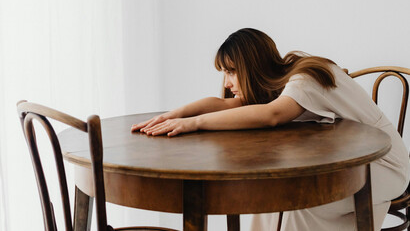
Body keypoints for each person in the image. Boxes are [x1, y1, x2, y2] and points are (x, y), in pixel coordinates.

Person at [131, 28, 409, 230]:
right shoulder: (277, 86)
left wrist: (193, 123)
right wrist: (173, 115)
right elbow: (224, 104)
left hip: (381, 163)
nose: (227, 82)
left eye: (231, 71)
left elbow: (273, 115)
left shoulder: (305, 77)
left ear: (251, 66)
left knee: (299, 201)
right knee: (267, 199)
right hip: (347, 162)